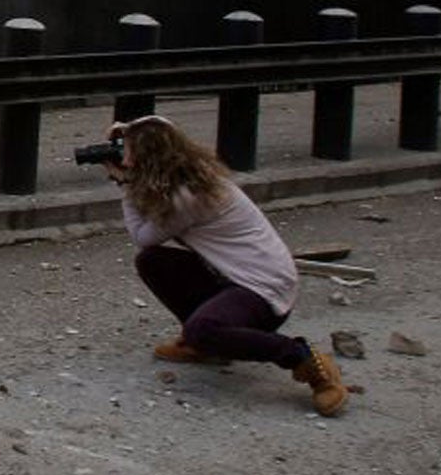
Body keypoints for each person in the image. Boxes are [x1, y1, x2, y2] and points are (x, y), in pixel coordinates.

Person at [102, 114, 347, 416]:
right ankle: (206, 347)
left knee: (202, 328)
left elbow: (143, 235)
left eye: (127, 151)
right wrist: (124, 133)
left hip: (264, 291)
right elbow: (160, 125)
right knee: (154, 263)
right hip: (237, 278)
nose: (123, 158)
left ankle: (304, 359)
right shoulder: (191, 176)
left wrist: (125, 186)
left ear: (150, 158)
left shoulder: (189, 197)